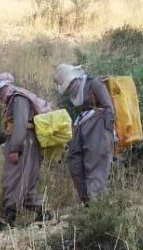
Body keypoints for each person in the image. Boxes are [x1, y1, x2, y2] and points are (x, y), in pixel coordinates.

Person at [0, 73, 51, 230]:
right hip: (24, 142)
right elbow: (10, 129)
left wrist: (15, 149)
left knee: (12, 181)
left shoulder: (19, 98)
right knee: (25, 184)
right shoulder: (13, 100)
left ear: (6, 87)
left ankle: (9, 222)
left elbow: (20, 126)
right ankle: (44, 213)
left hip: (24, 144)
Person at [54, 64, 115, 206]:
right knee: (74, 161)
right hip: (82, 127)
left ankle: (96, 205)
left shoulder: (94, 83)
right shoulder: (74, 93)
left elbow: (109, 108)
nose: (69, 88)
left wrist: (106, 132)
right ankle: (86, 201)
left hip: (98, 127)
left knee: (96, 166)